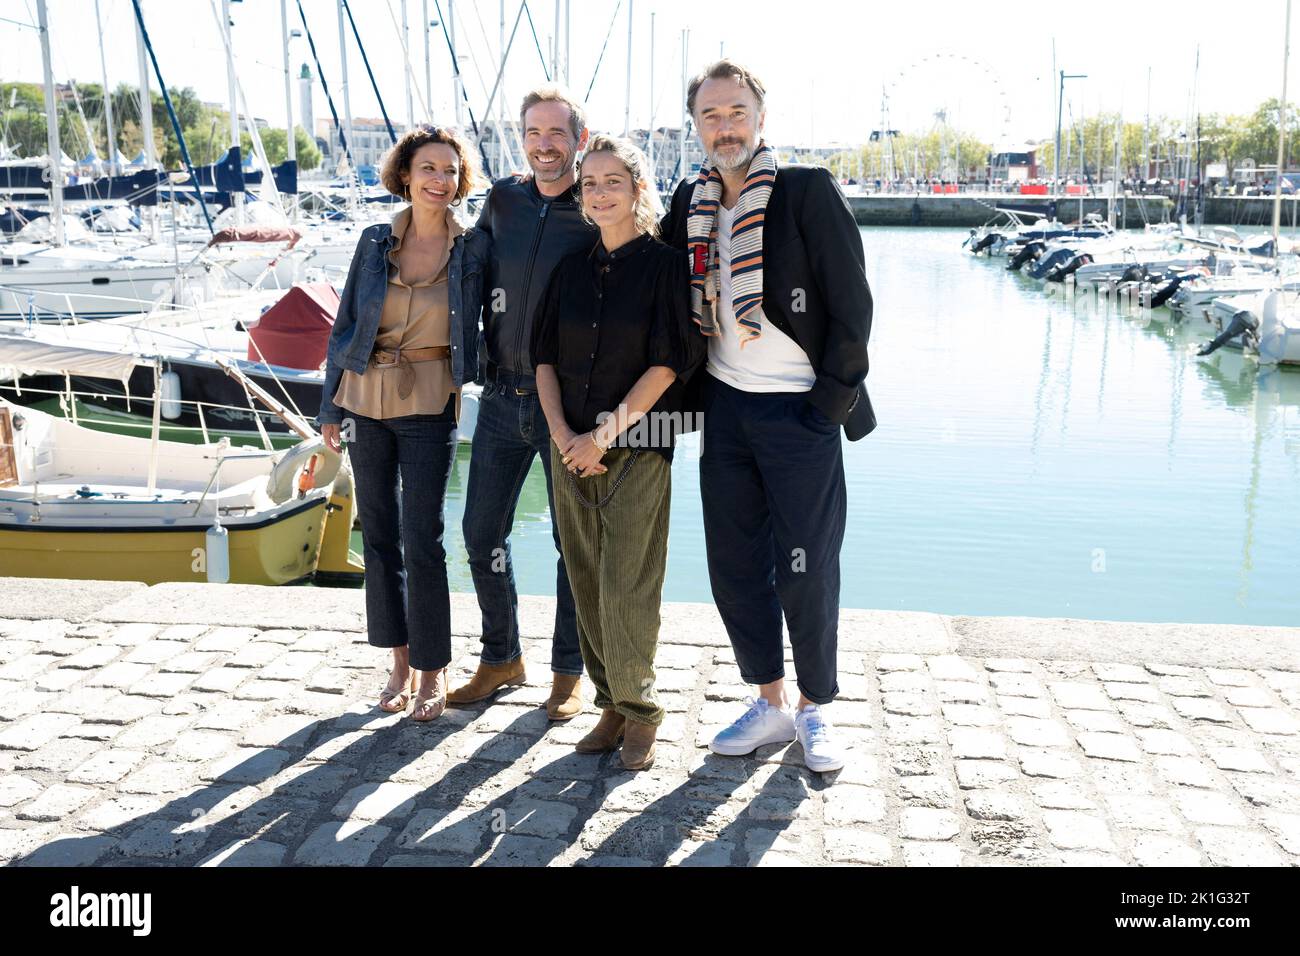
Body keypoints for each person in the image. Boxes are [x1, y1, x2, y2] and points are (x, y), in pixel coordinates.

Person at [660, 60, 876, 773]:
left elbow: (853, 307)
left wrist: (827, 407)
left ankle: (817, 709)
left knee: (807, 567)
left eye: (736, 111)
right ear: (695, 125)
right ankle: (770, 701)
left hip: (799, 414)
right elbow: (651, 277)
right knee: (735, 564)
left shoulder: (806, 192)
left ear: (760, 115)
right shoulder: (688, 202)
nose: (725, 126)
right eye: (711, 115)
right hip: (725, 409)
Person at [532, 135, 704, 770]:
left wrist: (600, 436)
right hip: (567, 447)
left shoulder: (663, 265)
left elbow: (669, 363)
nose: (600, 193)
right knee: (583, 579)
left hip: (639, 445)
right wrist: (561, 436)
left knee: (628, 582)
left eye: (613, 181)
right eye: (591, 183)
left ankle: (640, 711)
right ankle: (608, 700)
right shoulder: (570, 269)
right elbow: (543, 357)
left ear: (637, 189)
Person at [318, 125, 488, 722]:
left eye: (449, 170)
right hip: (364, 400)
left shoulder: (473, 247)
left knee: (425, 540)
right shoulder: (373, 241)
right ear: (406, 176)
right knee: (380, 538)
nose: (440, 180)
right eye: (428, 169)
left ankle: (433, 671)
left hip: (430, 403)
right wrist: (330, 406)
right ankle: (397, 664)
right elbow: (344, 328)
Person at [451, 87, 599, 722]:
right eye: (533, 133)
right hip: (501, 395)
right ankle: (501, 655)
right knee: (481, 532)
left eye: (557, 133)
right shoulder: (504, 199)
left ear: (579, 141)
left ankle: (570, 672)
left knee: (573, 544)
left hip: (567, 404)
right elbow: (468, 271)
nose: (544, 145)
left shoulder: (595, 204)